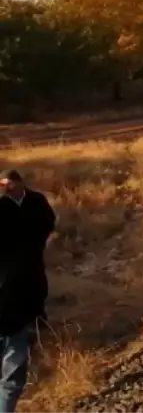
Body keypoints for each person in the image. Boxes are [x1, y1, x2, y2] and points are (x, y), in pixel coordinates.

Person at [0, 169, 56, 413]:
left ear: (20, 182)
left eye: (10, 183)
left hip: (31, 255)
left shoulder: (36, 200)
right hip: (9, 262)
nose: (7, 188)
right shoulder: (1, 206)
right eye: (3, 184)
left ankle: (36, 322)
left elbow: (48, 222)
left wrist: (36, 242)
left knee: (37, 288)